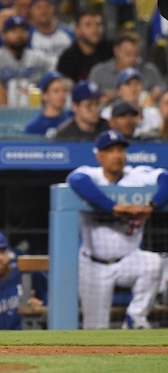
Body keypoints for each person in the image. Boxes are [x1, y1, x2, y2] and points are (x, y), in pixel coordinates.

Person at [66, 130, 166, 329]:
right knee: (94, 329)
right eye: (110, 150)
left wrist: (152, 206)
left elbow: (166, 178)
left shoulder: (137, 176)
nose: (117, 155)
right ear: (99, 155)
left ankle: (135, 318)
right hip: (94, 264)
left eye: (121, 150)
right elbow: (75, 180)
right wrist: (113, 207)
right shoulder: (90, 175)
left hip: (128, 259)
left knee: (154, 263)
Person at [87, 31, 166, 106]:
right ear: (116, 51)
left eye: (136, 54)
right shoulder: (99, 72)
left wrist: (158, 92)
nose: (132, 59)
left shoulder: (149, 71)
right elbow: (87, 99)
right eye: (128, 54)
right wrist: (101, 100)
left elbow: (163, 91)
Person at [56, 9, 113, 83]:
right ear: (77, 30)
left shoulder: (111, 50)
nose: (95, 29)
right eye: (88, 25)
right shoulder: (67, 59)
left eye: (98, 24)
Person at [24, 71, 72, 138]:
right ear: (45, 95)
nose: (62, 95)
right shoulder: (34, 127)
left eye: (64, 90)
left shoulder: (72, 118)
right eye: (56, 91)